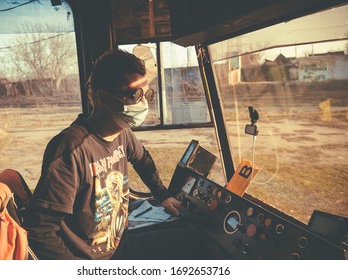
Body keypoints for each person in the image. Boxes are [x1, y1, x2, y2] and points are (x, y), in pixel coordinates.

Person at [24, 49, 212, 260]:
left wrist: (163, 196)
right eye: (135, 95)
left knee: (195, 237)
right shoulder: (69, 150)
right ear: (103, 97)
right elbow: (39, 230)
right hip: (91, 259)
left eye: (147, 94)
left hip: (119, 242)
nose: (144, 104)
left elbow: (143, 160)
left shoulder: (123, 133)